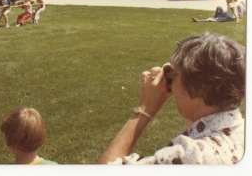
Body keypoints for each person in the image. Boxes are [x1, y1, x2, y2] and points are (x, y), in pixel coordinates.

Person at [97, 33, 245, 165]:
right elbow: (200, 114)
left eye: (170, 74)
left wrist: (144, 108)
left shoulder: (191, 156)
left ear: (198, 89)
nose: (169, 83)